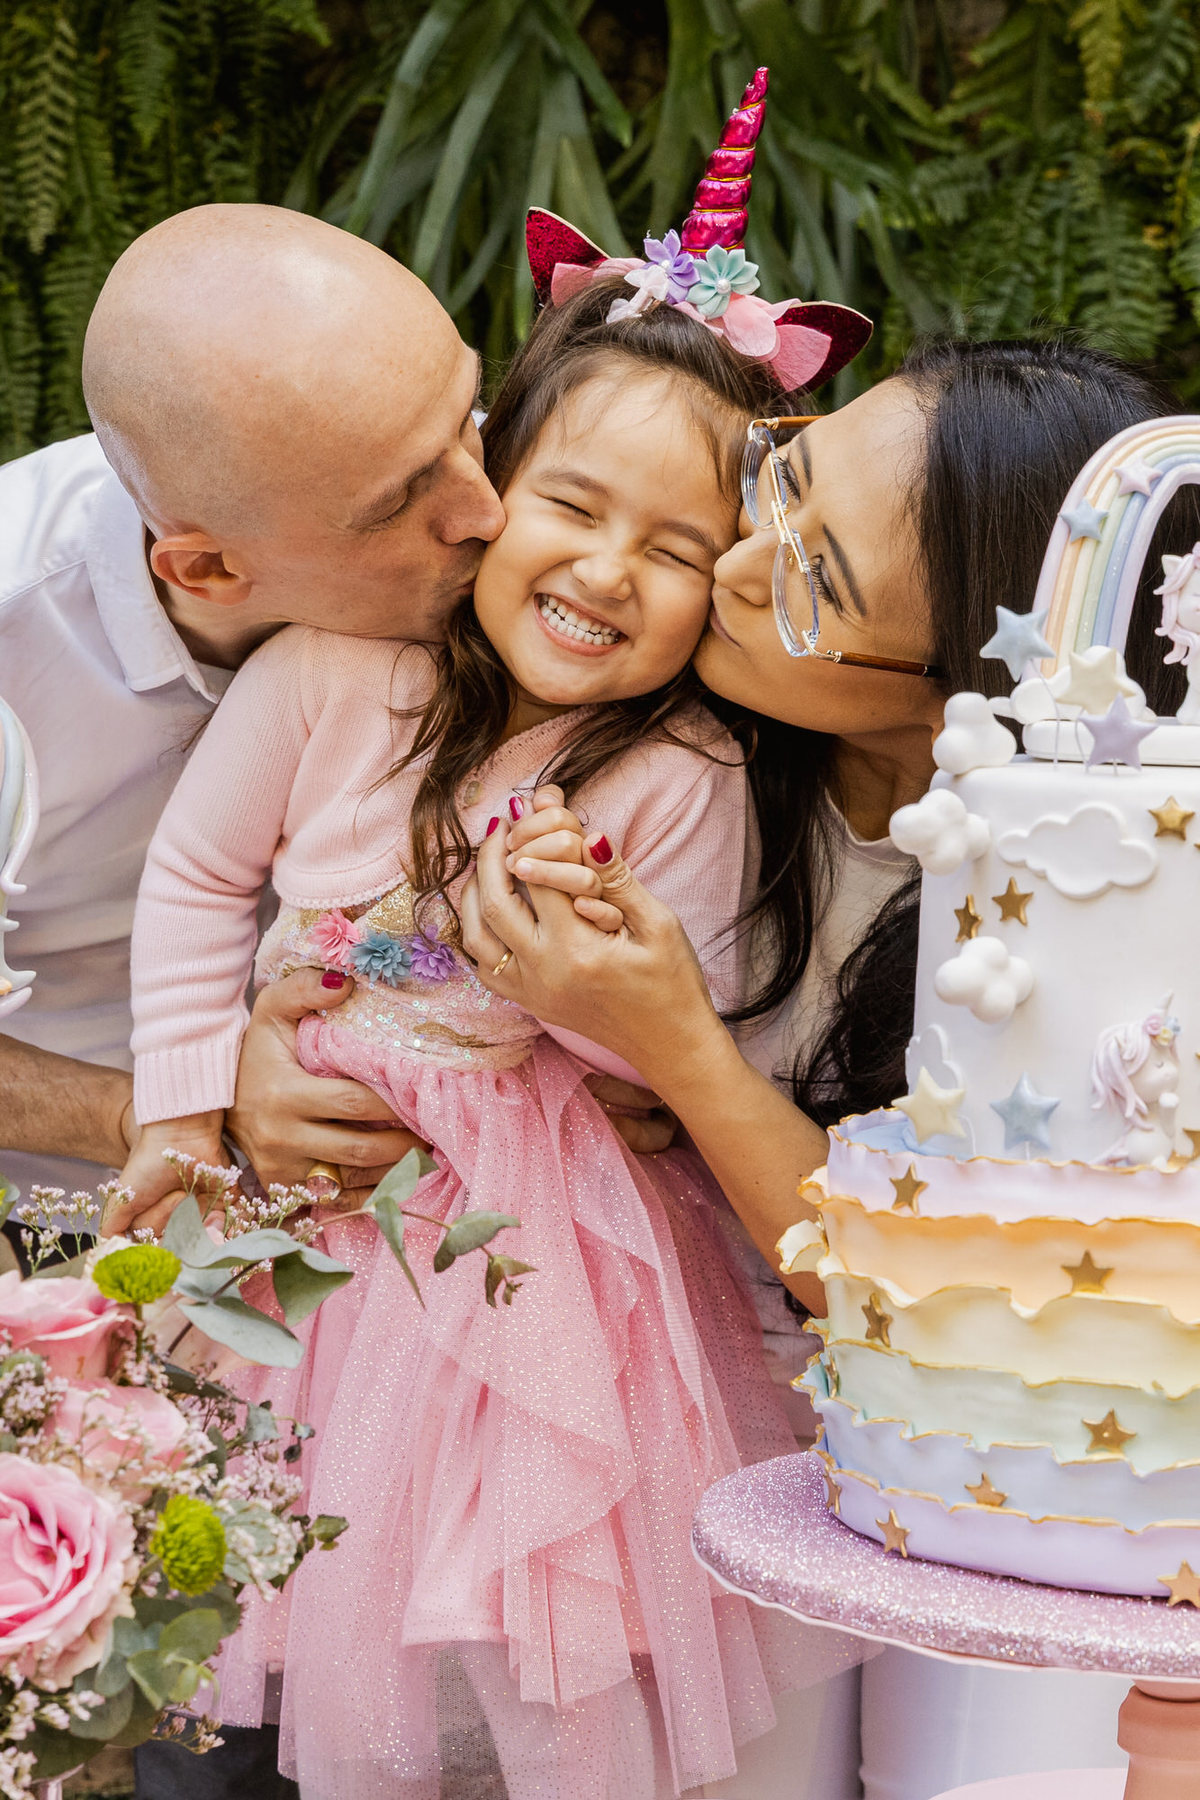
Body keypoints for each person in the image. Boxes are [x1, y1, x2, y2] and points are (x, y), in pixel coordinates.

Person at [114, 138, 878, 1790]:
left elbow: (651, 1044)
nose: (606, 570)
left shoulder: (682, 774)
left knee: (507, 1585)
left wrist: (567, 968)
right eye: (573, 507)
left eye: (674, 548)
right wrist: (186, 1096)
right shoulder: (330, 674)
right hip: (307, 1219)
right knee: (274, 1552)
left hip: (533, 1242)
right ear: (493, 489)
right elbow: (196, 878)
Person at [462, 337, 1195, 1797]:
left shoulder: (1082, 902)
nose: (735, 565)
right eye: (779, 481)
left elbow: (925, 1293)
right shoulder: (658, 740)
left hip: (957, 1482)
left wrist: (683, 1053)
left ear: (959, 685)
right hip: (632, 1430)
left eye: (814, 580)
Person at [0, 200, 504, 1226]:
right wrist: (172, 1116)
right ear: (209, 570)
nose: (488, 509)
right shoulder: (16, 635)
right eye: (401, 503)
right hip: (94, 1218)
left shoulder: (492, 497)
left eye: (468, 411)